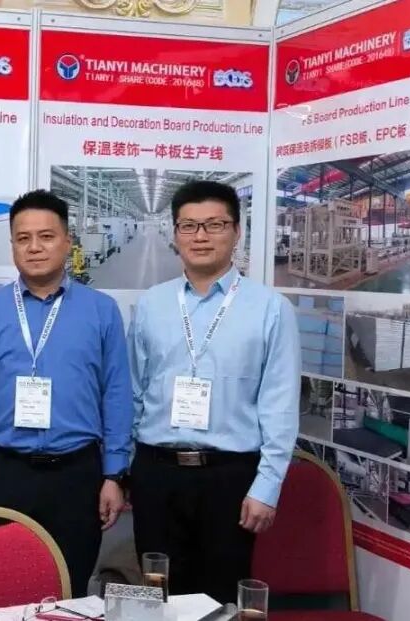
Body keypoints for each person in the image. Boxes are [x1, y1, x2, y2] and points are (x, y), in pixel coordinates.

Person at [0, 189, 133, 597]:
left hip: (77, 475)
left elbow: (117, 396)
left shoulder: (101, 310)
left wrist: (113, 475)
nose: (34, 247)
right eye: (23, 238)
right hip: (4, 473)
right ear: (13, 245)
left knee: (70, 590)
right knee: (3, 590)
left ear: (67, 241)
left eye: (46, 236)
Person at [128, 180, 299, 605]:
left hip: (230, 478)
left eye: (214, 225)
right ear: (175, 233)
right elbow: (133, 390)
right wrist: (128, 470)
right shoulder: (151, 304)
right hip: (157, 474)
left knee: (221, 600)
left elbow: (279, 405)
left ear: (236, 232)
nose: (200, 236)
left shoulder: (270, 309)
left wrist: (266, 486)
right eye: (188, 226)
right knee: (157, 597)